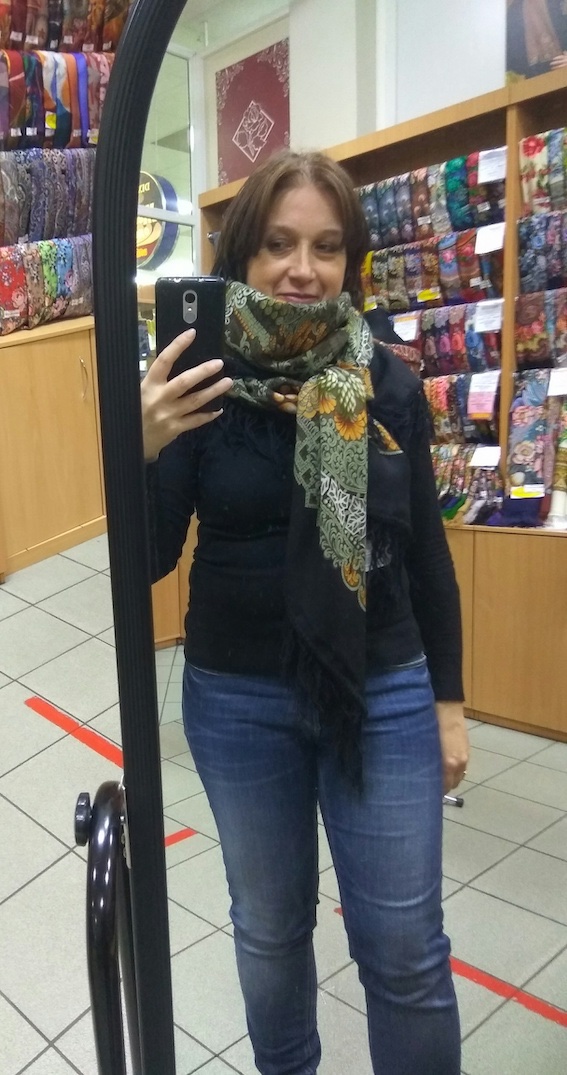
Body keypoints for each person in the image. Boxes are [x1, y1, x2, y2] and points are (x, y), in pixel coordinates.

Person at [141, 149, 468, 1075]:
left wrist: (447, 704)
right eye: (278, 244)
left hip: (383, 686)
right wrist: (144, 444)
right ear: (243, 254)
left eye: (326, 247)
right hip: (236, 696)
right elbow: (149, 557)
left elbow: (426, 553)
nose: (302, 269)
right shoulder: (198, 381)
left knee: (403, 948)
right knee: (270, 928)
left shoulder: (387, 382)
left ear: (350, 260)